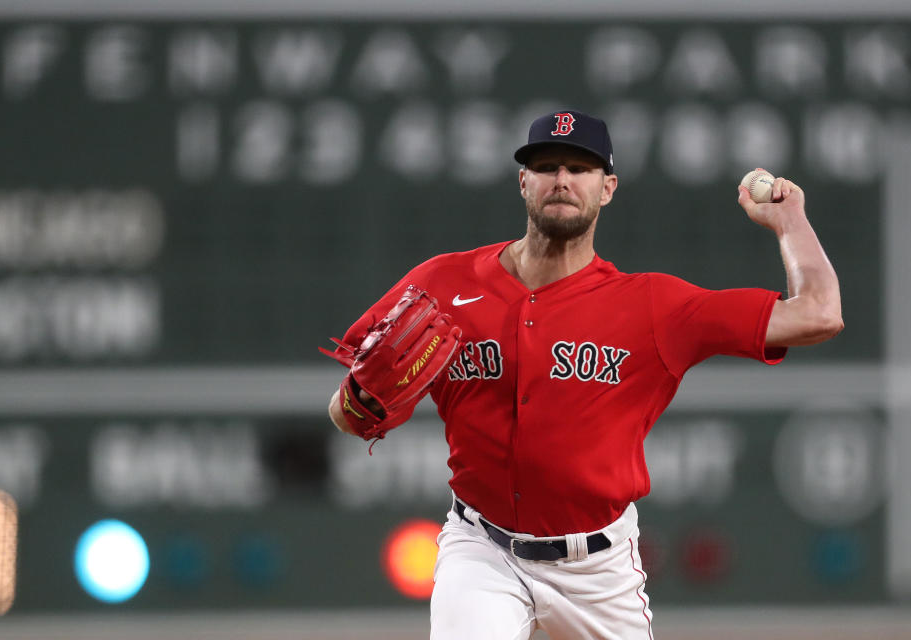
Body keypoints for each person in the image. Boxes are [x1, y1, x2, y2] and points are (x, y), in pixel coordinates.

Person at [325, 110, 842, 640]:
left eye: (581, 167)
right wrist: (357, 402)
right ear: (523, 181)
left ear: (608, 187)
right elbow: (344, 410)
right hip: (481, 549)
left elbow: (820, 314)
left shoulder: (653, 307)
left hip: (598, 570)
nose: (563, 179)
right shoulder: (443, 281)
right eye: (546, 166)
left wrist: (790, 222)